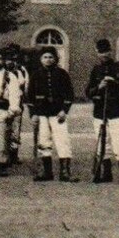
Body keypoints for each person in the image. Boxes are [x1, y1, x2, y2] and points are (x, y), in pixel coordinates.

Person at [87, 39, 119, 184]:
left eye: (106, 51)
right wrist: (99, 87)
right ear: (97, 53)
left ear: (111, 51)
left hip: (116, 110)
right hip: (100, 110)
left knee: (118, 140)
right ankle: (106, 172)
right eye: (101, 52)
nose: (104, 55)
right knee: (102, 142)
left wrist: (116, 83)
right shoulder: (96, 70)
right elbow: (88, 92)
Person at [27, 46, 76, 182]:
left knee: (62, 141)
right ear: (41, 59)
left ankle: (65, 172)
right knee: (44, 141)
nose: (48, 60)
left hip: (57, 113)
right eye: (45, 57)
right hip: (42, 113)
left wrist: (64, 110)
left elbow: (69, 94)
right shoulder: (35, 75)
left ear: (55, 59)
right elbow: (30, 97)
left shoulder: (62, 74)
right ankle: (47, 172)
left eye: (51, 57)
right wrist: (33, 114)